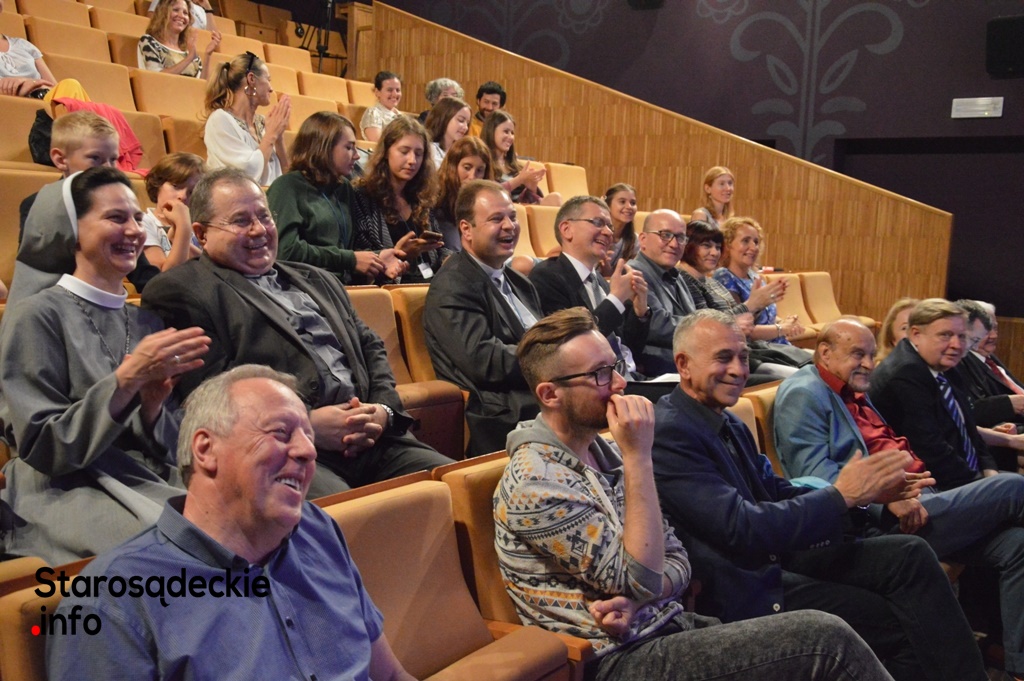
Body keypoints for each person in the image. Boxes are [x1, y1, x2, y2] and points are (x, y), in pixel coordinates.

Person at [494, 307, 893, 681]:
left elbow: (676, 556)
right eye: (599, 374)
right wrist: (639, 458)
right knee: (824, 639)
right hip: (616, 659)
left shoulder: (605, 452)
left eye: (614, 367)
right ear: (550, 394)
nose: (618, 383)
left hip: (666, 625)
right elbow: (641, 577)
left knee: (869, 599)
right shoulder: (537, 480)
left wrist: (643, 596)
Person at [650, 309, 988, 681]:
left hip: (778, 555)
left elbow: (774, 489)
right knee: (895, 622)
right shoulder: (671, 433)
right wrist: (842, 495)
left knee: (910, 553)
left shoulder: (725, 418)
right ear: (683, 364)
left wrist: (867, 496)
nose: (738, 370)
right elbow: (740, 528)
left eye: (743, 357)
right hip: (746, 583)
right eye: (723, 358)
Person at [47, 365, 416, 681]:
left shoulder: (317, 530)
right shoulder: (111, 600)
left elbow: (390, 675)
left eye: (308, 436)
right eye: (281, 433)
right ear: (206, 449)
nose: (308, 451)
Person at [142, 167, 453, 496]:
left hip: (374, 438)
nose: (259, 229)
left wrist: (383, 411)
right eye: (241, 221)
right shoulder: (182, 291)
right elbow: (208, 396)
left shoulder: (319, 279)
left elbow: (370, 345)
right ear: (202, 234)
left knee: (464, 490)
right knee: (344, 515)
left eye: (264, 216)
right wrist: (305, 423)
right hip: (283, 450)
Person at [774, 318, 1024, 680]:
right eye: (857, 354)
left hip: (924, 496)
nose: (868, 363)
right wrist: (883, 500)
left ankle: (1018, 669)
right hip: (881, 520)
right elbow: (813, 478)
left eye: (871, 354)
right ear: (824, 353)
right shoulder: (805, 392)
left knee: (1016, 544)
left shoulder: (852, 389)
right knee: (1013, 487)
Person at [0, 167, 211, 565]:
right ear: (72, 231)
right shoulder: (36, 315)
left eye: (137, 218)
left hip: (147, 476)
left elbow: (170, 446)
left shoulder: (146, 320)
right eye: (115, 218)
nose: (134, 230)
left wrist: (152, 408)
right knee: (172, 554)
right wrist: (125, 381)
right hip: (64, 487)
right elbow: (41, 446)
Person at [424, 180, 543, 457]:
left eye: (512, 217)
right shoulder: (453, 284)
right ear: (466, 229)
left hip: (537, 391)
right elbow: (483, 360)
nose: (510, 226)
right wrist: (552, 361)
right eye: (496, 219)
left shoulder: (520, 282)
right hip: (502, 407)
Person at [12, 112, 160, 305]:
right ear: (60, 159)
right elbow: (38, 268)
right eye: (95, 158)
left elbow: (142, 273)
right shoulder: (38, 204)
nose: (107, 168)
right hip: (62, 304)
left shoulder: (121, 202)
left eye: (113, 159)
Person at [868, 299, 1004, 490]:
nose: (956, 345)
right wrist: (982, 485)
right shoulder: (905, 373)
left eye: (961, 336)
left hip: (964, 474)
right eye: (945, 335)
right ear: (916, 334)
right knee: (1014, 487)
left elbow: (969, 429)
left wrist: (990, 469)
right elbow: (931, 450)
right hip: (930, 486)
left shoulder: (944, 363)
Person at [267, 111, 402, 284]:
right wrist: (349, 260)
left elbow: (348, 250)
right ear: (323, 148)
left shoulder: (344, 187)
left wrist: (379, 259)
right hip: (303, 288)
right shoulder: (287, 187)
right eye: (349, 147)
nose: (356, 155)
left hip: (341, 287)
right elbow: (285, 251)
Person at [530, 195, 650, 377]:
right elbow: (573, 345)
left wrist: (640, 313)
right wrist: (616, 300)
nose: (608, 232)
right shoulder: (547, 277)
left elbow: (630, 348)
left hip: (629, 377)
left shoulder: (600, 281)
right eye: (598, 223)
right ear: (567, 229)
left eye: (609, 226)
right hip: (594, 382)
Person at [677, 219, 807, 380]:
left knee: (813, 369)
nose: (714, 252)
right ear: (688, 246)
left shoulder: (711, 283)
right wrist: (754, 306)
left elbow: (741, 321)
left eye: (717, 247)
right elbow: (708, 325)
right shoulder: (684, 280)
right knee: (799, 377)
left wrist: (765, 312)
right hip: (724, 358)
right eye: (706, 246)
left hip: (746, 351)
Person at [351, 116, 446, 284]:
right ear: (386, 152)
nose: (412, 161)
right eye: (404, 152)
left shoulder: (422, 196)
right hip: (388, 288)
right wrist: (399, 253)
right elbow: (362, 260)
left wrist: (448, 258)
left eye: (418, 154)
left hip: (428, 284)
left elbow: (439, 251)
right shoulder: (363, 196)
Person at [714, 216, 806, 345]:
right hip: (756, 350)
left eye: (756, 242)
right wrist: (782, 328)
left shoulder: (755, 277)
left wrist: (785, 322)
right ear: (728, 245)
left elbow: (766, 316)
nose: (754, 247)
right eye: (746, 241)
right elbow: (740, 328)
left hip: (776, 346)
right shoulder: (724, 277)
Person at [203, 51, 290, 186]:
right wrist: (271, 135)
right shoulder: (220, 120)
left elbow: (287, 175)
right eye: (268, 80)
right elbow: (244, 175)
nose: (271, 89)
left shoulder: (264, 123)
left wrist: (278, 138)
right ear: (251, 79)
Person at [951, 299, 1024, 428]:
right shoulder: (959, 361)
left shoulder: (989, 358)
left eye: (995, 328)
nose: (993, 336)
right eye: (987, 330)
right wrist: (1008, 403)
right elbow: (967, 411)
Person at [0, 0, 88, 102]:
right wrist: (21, 88)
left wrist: (28, 82)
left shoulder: (23, 45)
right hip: (14, 104)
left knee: (71, 85)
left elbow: (53, 86)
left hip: (45, 99)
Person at [141, 151, 206, 271]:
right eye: (176, 186)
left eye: (191, 192)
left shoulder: (201, 224)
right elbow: (163, 277)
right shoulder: (143, 223)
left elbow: (212, 269)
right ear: (158, 184)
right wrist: (183, 227)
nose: (183, 196)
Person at [481, 109, 560, 206]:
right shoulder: (483, 162)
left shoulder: (515, 165)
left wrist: (532, 187)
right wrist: (519, 180)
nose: (510, 137)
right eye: (506, 131)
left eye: (512, 133)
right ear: (491, 131)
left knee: (555, 198)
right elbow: (489, 194)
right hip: (502, 207)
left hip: (523, 207)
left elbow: (527, 199)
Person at [432, 136, 495, 251]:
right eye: (467, 168)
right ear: (453, 166)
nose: (472, 176)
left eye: (479, 170)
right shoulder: (437, 198)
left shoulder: (483, 201)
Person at [138, 0, 220, 78]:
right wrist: (189, 58)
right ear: (163, 13)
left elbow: (201, 84)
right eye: (176, 10)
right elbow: (156, 78)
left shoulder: (189, 50)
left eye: (185, 13)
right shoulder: (149, 42)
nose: (181, 16)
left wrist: (207, 55)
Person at [600, 183, 639, 276]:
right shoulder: (595, 233)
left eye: (633, 203)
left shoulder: (635, 240)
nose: (629, 207)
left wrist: (608, 271)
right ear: (608, 205)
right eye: (622, 202)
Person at [423, 96, 471, 168]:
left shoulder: (463, 152)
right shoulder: (429, 150)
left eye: (467, 123)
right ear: (444, 118)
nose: (466, 127)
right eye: (461, 120)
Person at [360, 70, 403, 143]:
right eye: (389, 90)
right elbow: (378, 144)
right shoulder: (373, 113)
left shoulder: (402, 116)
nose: (395, 94)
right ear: (377, 92)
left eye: (398, 90)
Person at [876, 297, 918, 362]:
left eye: (918, 325)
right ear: (892, 339)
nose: (914, 331)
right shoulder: (886, 367)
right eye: (905, 328)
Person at [147, 0, 216, 31]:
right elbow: (152, 24)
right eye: (176, 10)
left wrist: (208, 8)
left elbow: (215, 40)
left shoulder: (201, 10)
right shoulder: (166, 1)